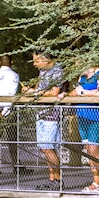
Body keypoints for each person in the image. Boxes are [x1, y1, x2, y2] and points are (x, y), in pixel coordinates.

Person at [22, 50, 65, 186]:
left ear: (46, 60)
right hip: (40, 111)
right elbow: (39, 87)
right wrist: (32, 91)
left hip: (51, 113)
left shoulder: (57, 70)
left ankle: (58, 179)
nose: (34, 64)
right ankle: (51, 178)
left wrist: (34, 92)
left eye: (37, 61)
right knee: (45, 147)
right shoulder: (43, 71)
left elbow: (54, 93)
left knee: (48, 147)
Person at [72, 66, 99, 192]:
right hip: (82, 115)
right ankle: (95, 181)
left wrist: (83, 93)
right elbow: (75, 92)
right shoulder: (82, 76)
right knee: (88, 148)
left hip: (98, 116)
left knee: (94, 147)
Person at [0, 54, 20, 175]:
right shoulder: (14, 75)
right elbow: (12, 94)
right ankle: (16, 165)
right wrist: (6, 112)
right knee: (12, 139)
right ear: (12, 62)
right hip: (8, 108)